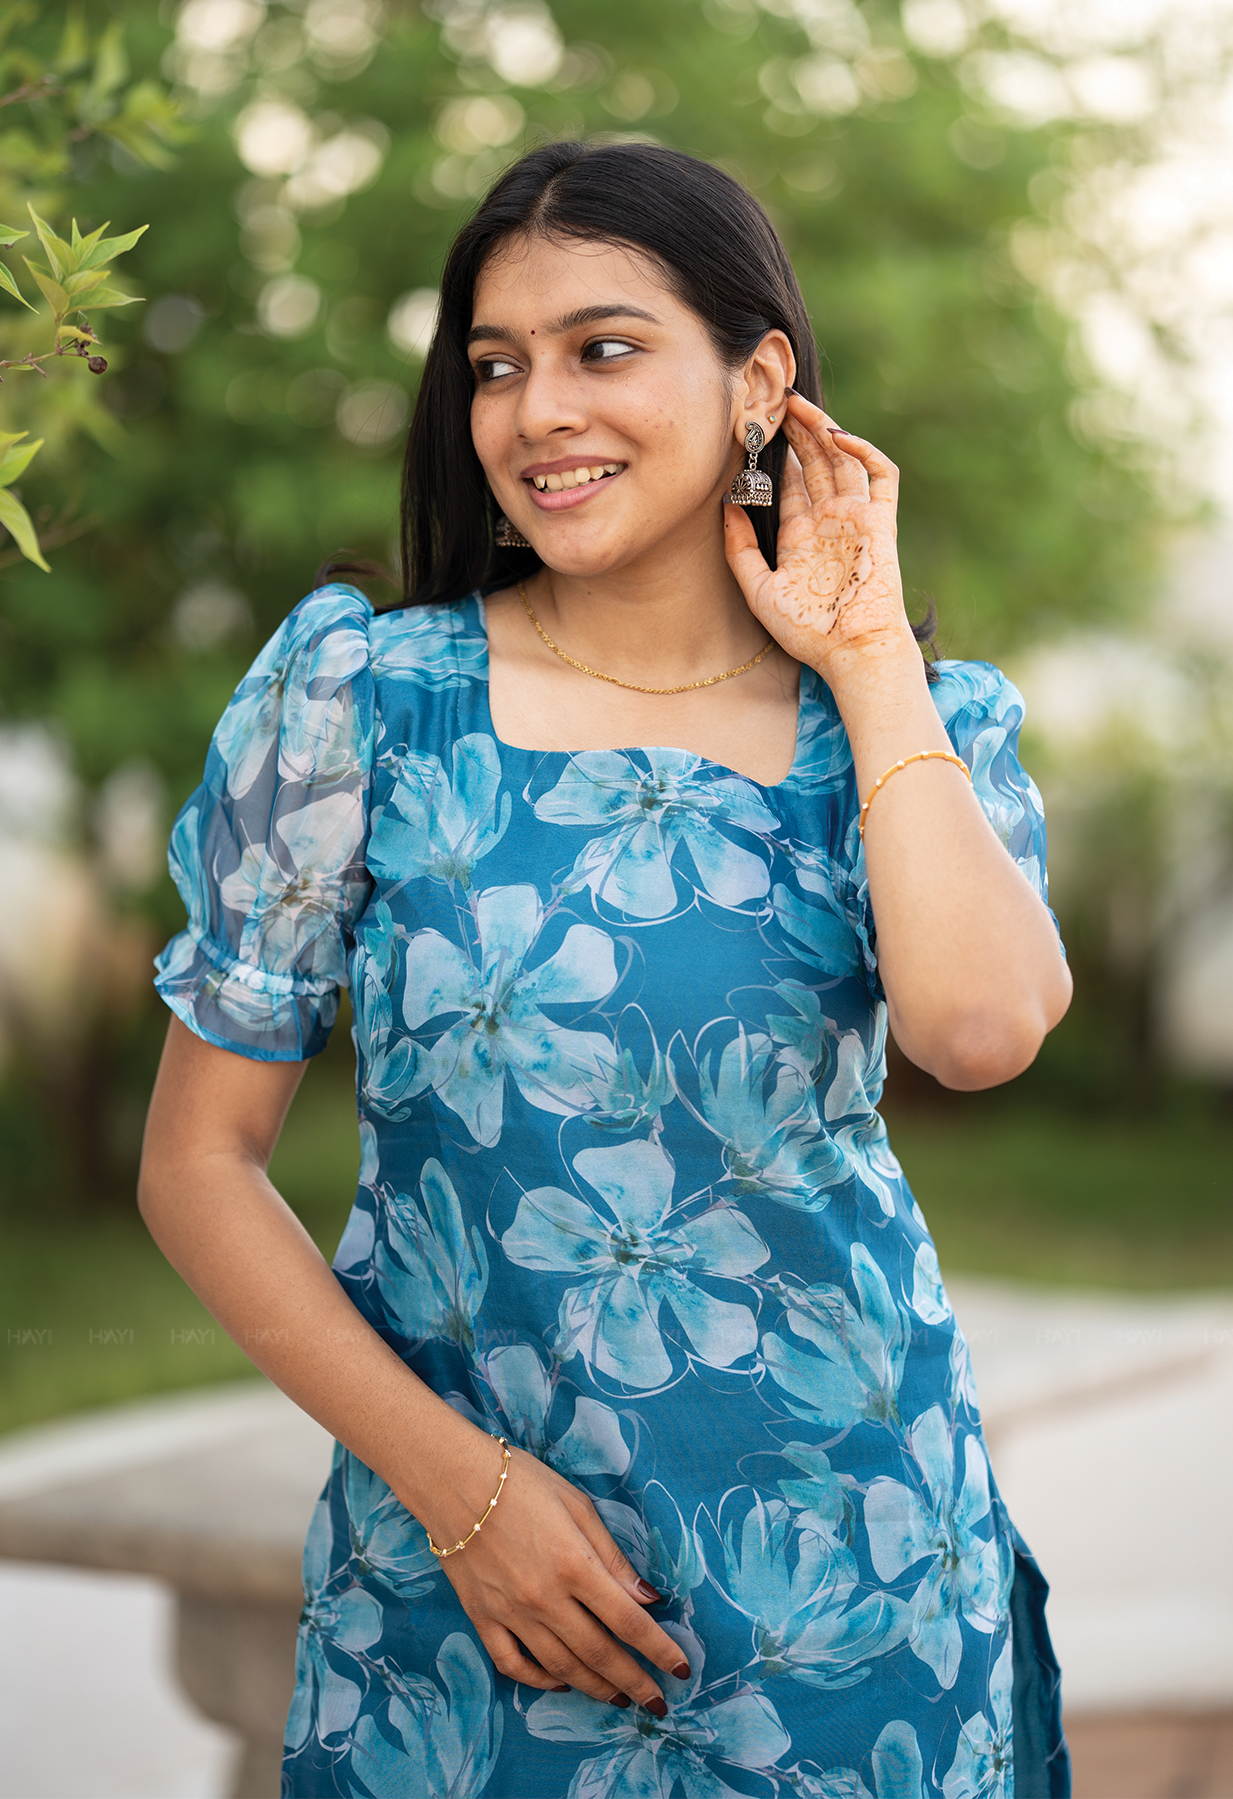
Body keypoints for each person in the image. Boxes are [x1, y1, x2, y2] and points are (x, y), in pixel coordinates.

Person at [139, 141, 1073, 1799]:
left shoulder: (906, 730)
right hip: (465, 1604)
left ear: (760, 382)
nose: (537, 410)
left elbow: (982, 1025)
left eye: (604, 348)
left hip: (856, 1593)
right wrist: (464, 1494)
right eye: (497, 365)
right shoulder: (366, 702)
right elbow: (197, 1163)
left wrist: (865, 653)